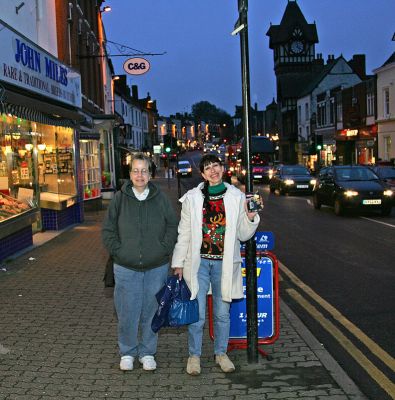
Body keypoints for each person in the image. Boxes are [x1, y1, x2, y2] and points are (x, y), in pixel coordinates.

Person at [171, 154, 260, 375]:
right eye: (208, 168)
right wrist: (178, 263)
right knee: (197, 314)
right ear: (202, 174)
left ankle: (221, 353)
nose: (213, 171)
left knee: (222, 313)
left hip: (224, 264)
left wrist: (250, 216)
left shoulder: (236, 196)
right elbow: (184, 232)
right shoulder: (192, 198)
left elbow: (243, 234)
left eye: (216, 166)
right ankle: (194, 356)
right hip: (198, 264)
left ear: (223, 168)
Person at [102, 153, 178, 372]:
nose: (140, 175)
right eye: (135, 170)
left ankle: (147, 352)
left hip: (157, 267)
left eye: (144, 170)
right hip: (126, 267)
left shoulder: (161, 198)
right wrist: (119, 252)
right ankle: (127, 352)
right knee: (126, 312)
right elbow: (108, 230)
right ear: (130, 173)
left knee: (152, 311)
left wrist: (164, 248)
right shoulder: (119, 198)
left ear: (150, 174)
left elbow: (173, 225)